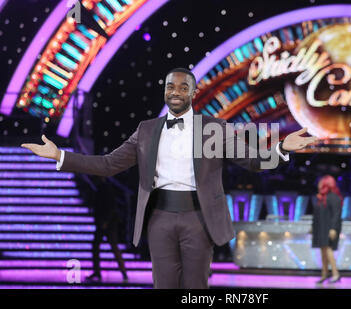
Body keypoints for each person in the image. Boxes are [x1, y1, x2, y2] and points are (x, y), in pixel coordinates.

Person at [21, 67, 318, 289]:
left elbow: (253, 161)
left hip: (199, 218)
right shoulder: (147, 129)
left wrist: (280, 148)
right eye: (169, 86)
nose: (175, 91)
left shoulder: (214, 128)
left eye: (182, 87)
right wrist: (60, 156)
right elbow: (109, 164)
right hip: (159, 218)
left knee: (195, 290)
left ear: (193, 92)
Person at [86, 176, 128, 283]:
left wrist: (105, 221)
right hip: (105, 223)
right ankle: (121, 273)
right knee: (109, 247)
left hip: (107, 223)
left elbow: (111, 207)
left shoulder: (104, 188)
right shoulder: (102, 188)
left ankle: (120, 273)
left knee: (108, 247)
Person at [311, 175, 342, 284]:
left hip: (329, 228)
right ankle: (324, 274)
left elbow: (337, 214)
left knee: (328, 250)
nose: (319, 185)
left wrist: (333, 228)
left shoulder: (334, 197)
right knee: (323, 251)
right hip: (321, 228)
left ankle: (335, 274)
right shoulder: (321, 198)